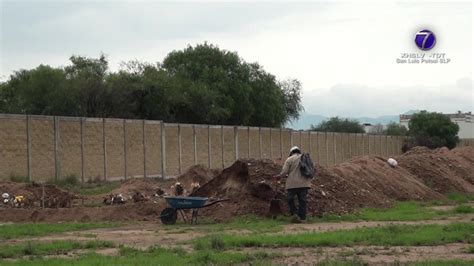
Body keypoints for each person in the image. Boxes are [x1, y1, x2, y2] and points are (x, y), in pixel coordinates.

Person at [274, 146, 311, 222]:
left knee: (290, 199)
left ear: (291, 152)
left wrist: (279, 176)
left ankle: (294, 213)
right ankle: (302, 218)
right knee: (302, 201)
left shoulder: (289, 159)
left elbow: (284, 172)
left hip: (292, 184)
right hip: (305, 184)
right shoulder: (305, 159)